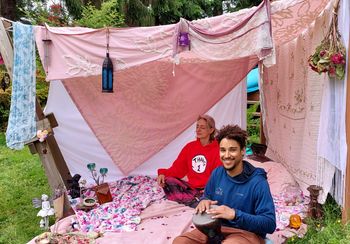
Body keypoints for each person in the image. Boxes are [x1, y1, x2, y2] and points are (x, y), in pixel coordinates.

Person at [173, 125, 276, 244]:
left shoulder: (258, 182)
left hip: (244, 233)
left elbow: (269, 224)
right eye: (223, 150)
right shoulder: (217, 173)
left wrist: (235, 215)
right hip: (214, 228)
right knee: (180, 242)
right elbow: (207, 197)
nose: (226, 155)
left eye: (232, 149)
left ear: (242, 151)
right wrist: (204, 201)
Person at [157, 115, 222, 207]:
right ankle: (196, 200)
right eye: (197, 126)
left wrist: (209, 188)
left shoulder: (218, 149)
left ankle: (194, 200)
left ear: (211, 130)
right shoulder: (190, 147)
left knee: (219, 193)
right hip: (192, 188)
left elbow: (218, 174)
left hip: (208, 188)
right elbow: (178, 169)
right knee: (169, 181)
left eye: (202, 127)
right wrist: (163, 173)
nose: (198, 130)